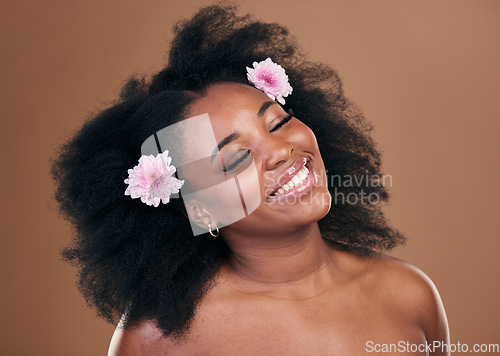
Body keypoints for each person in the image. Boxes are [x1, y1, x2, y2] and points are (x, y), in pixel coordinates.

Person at [51, 4, 449, 355]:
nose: (279, 151)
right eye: (237, 157)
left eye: (279, 123)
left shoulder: (409, 294)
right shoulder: (154, 341)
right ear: (202, 211)